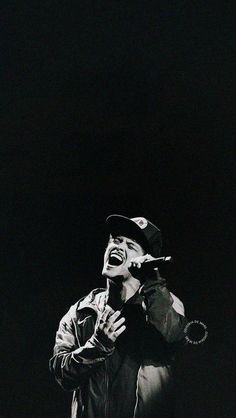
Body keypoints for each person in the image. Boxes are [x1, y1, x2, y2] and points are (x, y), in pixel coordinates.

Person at [49, 214, 187, 418]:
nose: (118, 247)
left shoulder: (167, 303)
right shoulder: (80, 312)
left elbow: (172, 338)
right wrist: (97, 345)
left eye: (131, 246)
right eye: (115, 241)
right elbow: (62, 373)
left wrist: (153, 285)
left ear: (144, 260)